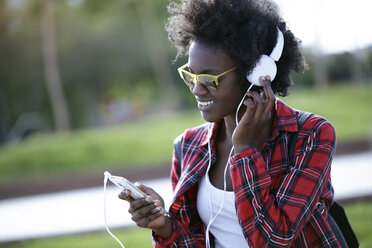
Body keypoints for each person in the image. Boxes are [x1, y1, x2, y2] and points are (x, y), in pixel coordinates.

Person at [119, 0, 340, 247]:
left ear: (257, 73)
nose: (196, 89)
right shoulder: (188, 145)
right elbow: (194, 240)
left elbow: (275, 239)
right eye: (191, 75)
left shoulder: (310, 134)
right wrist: (164, 226)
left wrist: (245, 150)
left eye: (209, 79)